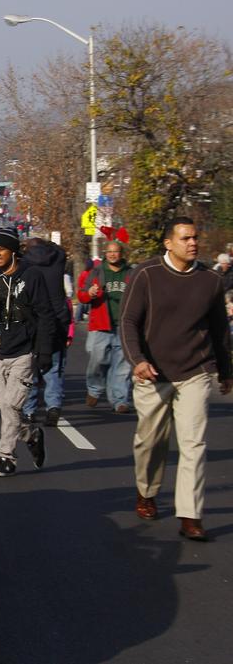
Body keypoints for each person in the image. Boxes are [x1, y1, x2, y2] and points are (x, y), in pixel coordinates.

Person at [120, 218, 232, 542]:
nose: (193, 243)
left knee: (194, 446)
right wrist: (137, 361)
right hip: (152, 373)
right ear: (169, 243)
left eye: (196, 237)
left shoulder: (210, 280)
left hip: (195, 372)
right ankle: (147, 492)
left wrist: (226, 371)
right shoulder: (147, 274)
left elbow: (220, 330)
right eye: (185, 238)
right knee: (150, 442)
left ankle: (190, 515)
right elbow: (128, 321)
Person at [0, 228, 56, 478]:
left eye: (1, 250)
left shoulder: (31, 276)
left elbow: (45, 314)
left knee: (11, 404)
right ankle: (31, 434)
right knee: (1, 404)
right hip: (2, 350)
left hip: (25, 350)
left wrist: (44, 352)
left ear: (13, 252)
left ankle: (5, 457)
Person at [77, 240, 133, 414]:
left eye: (115, 251)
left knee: (123, 366)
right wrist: (90, 294)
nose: (112, 254)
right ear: (105, 253)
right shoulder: (97, 271)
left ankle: (120, 400)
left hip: (124, 326)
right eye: (109, 251)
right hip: (102, 325)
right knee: (98, 360)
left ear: (121, 253)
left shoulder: (130, 273)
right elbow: (82, 296)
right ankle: (94, 388)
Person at [21, 237, 70, 426]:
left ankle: (29, 410)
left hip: (34, 318)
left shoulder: (24, 264)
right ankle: (53, 405)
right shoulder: (57, 259)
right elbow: (60, 249)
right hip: (58, 318)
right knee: (53, 367)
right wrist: (49, 244)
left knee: (30, 367)